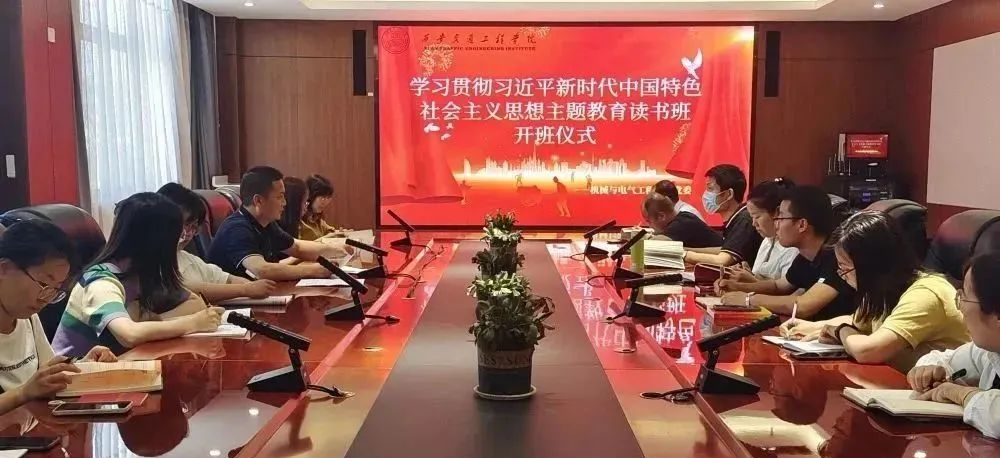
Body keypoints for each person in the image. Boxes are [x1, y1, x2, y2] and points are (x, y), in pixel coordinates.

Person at [782, 211, 968, 371]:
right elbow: (857, 320)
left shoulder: (925, 295)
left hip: (943, 392)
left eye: (845, 268)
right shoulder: (883, 289)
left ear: (871, 266)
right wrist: (812, 327)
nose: (842, 275)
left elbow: (868, 351)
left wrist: (840, 331)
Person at [52, 193, 225, 357]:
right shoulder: (100, 282)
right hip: (79, 372)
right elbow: (130, 335)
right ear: (157, 242)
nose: (179, 244)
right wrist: (192, 323)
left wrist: (150, 323)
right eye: (175, 238)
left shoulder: (143, 274)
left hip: (126, 363)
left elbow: (195, 303)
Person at [0, 220, 119, 415]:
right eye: (43, 284)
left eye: (55, 289)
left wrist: (81, 366)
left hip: (33, 425)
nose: (45, 298)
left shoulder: (28, 318)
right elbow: (30, 389)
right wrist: (23, 393)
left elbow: (45, 375)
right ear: (4, 269)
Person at [718, 186, 855, 321]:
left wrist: (748, 299)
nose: (776, 224)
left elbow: (804, 305)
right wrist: (737, 287)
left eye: (781, 218)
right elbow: (778, 286)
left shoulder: (837, 256)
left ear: (802, 225)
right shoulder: (805, 256)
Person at [906, 252, 1000, 439]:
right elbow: (942, 359)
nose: (960, 307)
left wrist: (960, 394)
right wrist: (929, 371)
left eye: (964, 297)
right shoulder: (988, 350)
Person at [207, 166, 352, 281]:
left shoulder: (266, 223)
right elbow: (262, 270)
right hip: (231, 304)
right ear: (258, 201)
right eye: (280, 197)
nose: (285, 203)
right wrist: (313, 271)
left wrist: (338, 251)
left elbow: (298, 247)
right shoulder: (236, 229)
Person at [156, 183, 276, 303]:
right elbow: (184, 289)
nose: (188, 233)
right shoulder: (152, 262)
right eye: (185, 224)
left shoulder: (189, 259)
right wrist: (245, 289)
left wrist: (251, 287)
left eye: (194, 227)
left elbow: (226, 279)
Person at [719, 178, 798, 283]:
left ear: (778, 213)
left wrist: (752, 281)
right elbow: (759, 278)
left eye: (757, 217)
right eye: (751, 217)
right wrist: (747, 274)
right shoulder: (767, 241)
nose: (754, 223)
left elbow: (785, 290)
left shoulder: (793, 248)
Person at [682, 164, 763, 267]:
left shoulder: (744, 219)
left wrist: (683, 255)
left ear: (728, 194)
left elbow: (722, 260)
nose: (705, 195)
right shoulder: (736, 218)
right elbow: (724, 250)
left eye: (710, 189)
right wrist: (683, 249)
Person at [641, 192, 722, 248]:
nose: (650, 226)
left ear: (661, 216)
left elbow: (655, 244)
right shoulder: (683, 217)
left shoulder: (681, 224)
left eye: (649, 221)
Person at [300, 174, 338, 241]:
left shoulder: (316, 217)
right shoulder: (300, 219)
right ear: (310, 196)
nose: (325, 202)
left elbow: (329, 230)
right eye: (322, 197)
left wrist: (341, 233)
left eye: (328, 198)